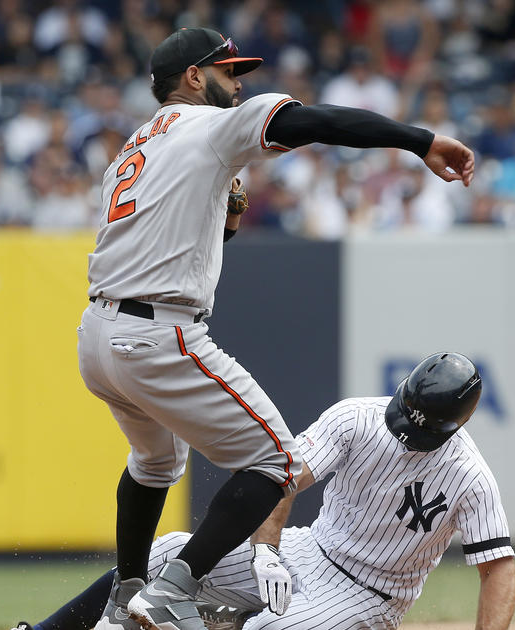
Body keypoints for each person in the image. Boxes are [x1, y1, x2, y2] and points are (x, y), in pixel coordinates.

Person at [70, 27, 475, 630]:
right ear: (193, 78)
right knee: (277, 464)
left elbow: (196, 232)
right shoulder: (206, 126)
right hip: (158, 333)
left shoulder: (132, 150)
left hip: (98, 336)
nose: (238, 84)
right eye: (228, 72)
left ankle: (122, 595)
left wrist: (226, 212)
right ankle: (171, 589)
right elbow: (316, 122)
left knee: (154, 464)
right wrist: (418, 140)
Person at [13, 353, 515, 630]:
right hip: (307, 549)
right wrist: (267, 549)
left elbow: (499, 570)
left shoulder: (469, 475)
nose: (406, 429)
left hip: (369, 595)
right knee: (165, 554)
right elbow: (283, 476)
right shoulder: (358, 417)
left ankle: (230, 622)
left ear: (456, 425)